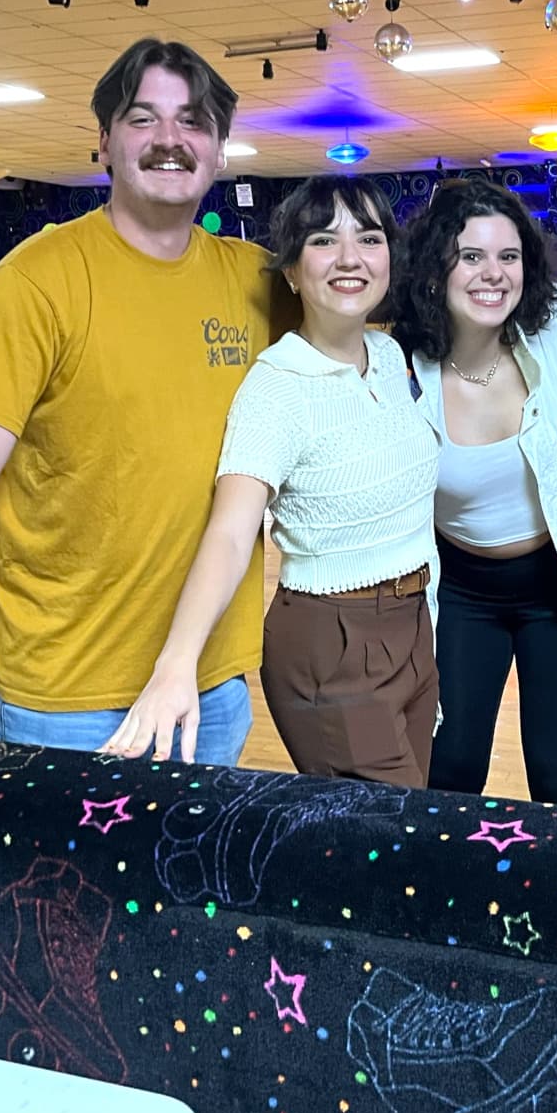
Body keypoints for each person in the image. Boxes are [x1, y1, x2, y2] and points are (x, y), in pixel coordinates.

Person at [0, 38, 291, 778]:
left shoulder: (256, 281)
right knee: (61, 896)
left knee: (190, 894)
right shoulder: (37, 283)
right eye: (143, 119)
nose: (170, 140)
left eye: (194, 123)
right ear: (105, 144)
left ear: (219, 151)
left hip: (211, 684)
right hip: (67, 696)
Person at [103, 177, 441, 784]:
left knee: (394, 845)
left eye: (368, 238)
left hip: (415, 630)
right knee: (393, 842)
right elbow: (232, 533)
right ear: (290, 270)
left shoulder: (389, 359)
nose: (349, 259)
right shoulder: (276, 387)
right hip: (333, 646)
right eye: (322, 240)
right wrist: (176, 665)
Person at [393, 179, 557, 810]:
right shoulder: (399, 373)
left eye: (509, 257)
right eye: (470, 256)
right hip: (463, 593)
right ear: (434, 267)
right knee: (449, 771)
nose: (493, 274)